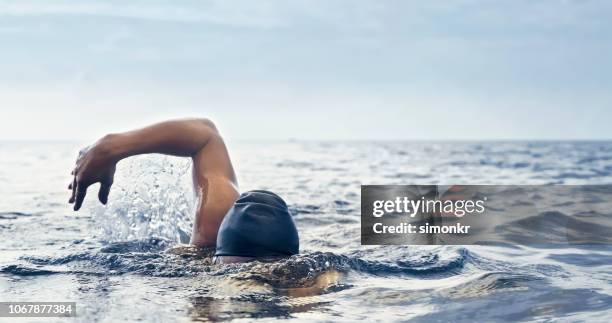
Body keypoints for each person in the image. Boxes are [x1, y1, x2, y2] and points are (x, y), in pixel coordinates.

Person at [68, 118, 299, 264]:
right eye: (231, 274)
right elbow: (206, 135)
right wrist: (111, 148)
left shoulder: (310, 288)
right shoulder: (207, 240)